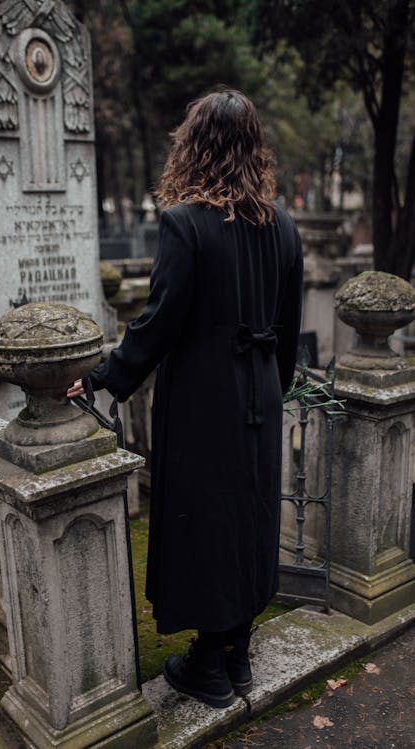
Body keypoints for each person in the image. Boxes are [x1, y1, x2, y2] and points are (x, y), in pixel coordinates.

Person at [67, 90, 303, 709]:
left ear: (194, 146)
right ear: (253, 147)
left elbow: (158, 323)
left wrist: (98, 378)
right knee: (249, 519)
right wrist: (271, 390)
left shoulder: (185, 223)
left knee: (204, 522)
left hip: (204, 402)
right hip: (260, 395)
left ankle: (209, 663)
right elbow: (287, 329)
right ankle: (238, 654)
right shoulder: (284, 227)